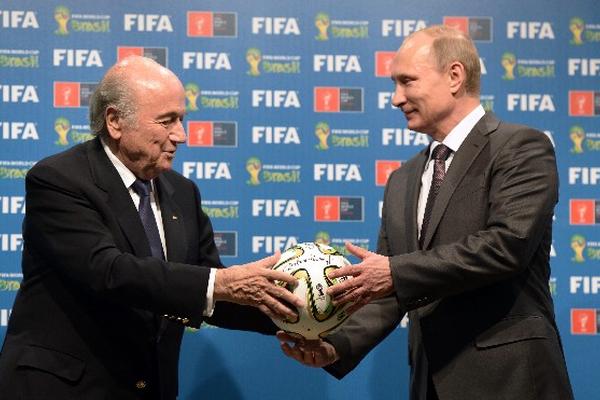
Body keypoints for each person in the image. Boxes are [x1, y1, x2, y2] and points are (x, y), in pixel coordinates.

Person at [278, 25, 574, 400]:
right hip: (429, 383)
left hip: (510, 380)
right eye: (394, 84)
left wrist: (394, 272)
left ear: (455, 76)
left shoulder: (520, 147)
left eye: (407, 81)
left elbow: (506, 246)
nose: (395, 98)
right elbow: (387, 290)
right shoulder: (403, 179)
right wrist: (335, 345)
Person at [0, 56, 303, 400]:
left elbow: (212, 294)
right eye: (167, 121)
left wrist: (303, 319)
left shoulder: (181, 192)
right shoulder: (59, 180)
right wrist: (220, 282)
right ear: (115, 121)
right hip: (64, 389)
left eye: (182, 120)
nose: (182, 135)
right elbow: (108, 271)